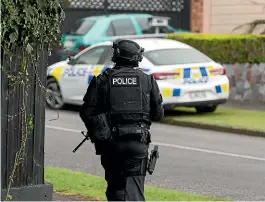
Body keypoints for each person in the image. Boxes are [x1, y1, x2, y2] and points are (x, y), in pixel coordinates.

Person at [79, 39, 164, 201]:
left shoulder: (102, 80)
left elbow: (87, 112)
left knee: (115, 189)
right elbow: (158, 114)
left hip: (111, 145)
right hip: (138, 143)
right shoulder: (148, 81)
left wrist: (102, 133)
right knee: (134, 191)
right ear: (136, 58)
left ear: (117, 56)